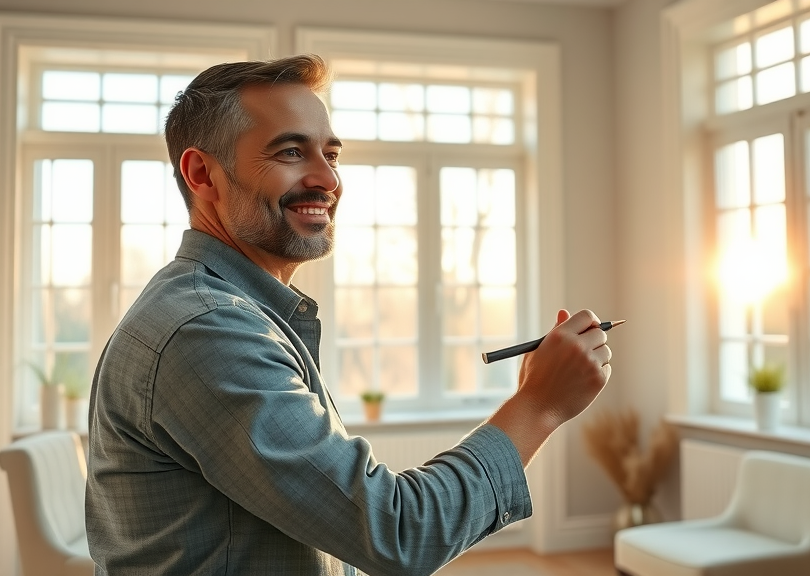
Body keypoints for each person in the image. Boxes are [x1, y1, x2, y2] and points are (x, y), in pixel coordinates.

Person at [85, 53, 613, 576]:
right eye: (291, 151)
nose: (327, 180)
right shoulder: (206, 332)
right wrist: (539, 405)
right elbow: (398, 533)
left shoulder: (227, 313)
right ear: (203, 173)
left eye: (331, 155)